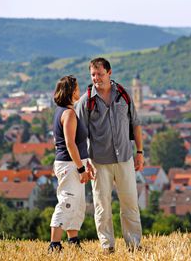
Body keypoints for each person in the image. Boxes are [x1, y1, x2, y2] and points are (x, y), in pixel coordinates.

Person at [76, 57, 144, 253]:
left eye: (100, 74)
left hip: (124, 157)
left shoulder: (123, 95)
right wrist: (84, 161)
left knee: (130, 203)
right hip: (99, 162)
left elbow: (136, 124)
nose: (96, 78)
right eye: (93, 74)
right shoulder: (85, 101)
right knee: (102, 206)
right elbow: (80, 136)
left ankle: (134, 244)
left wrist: (139, 152)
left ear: (109, 73)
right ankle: (107, 246)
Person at [48, 75, 94, 252]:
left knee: (77, 203)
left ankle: (73, 241)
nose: (79, 90)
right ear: (71, 91)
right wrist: (81, 168)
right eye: (77, 87)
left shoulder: (65, 111)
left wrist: (85, 162)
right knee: (67, 202)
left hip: (73, 162)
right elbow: (70, 143)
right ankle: (54, 244)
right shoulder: (68, 114)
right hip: (69, 165)